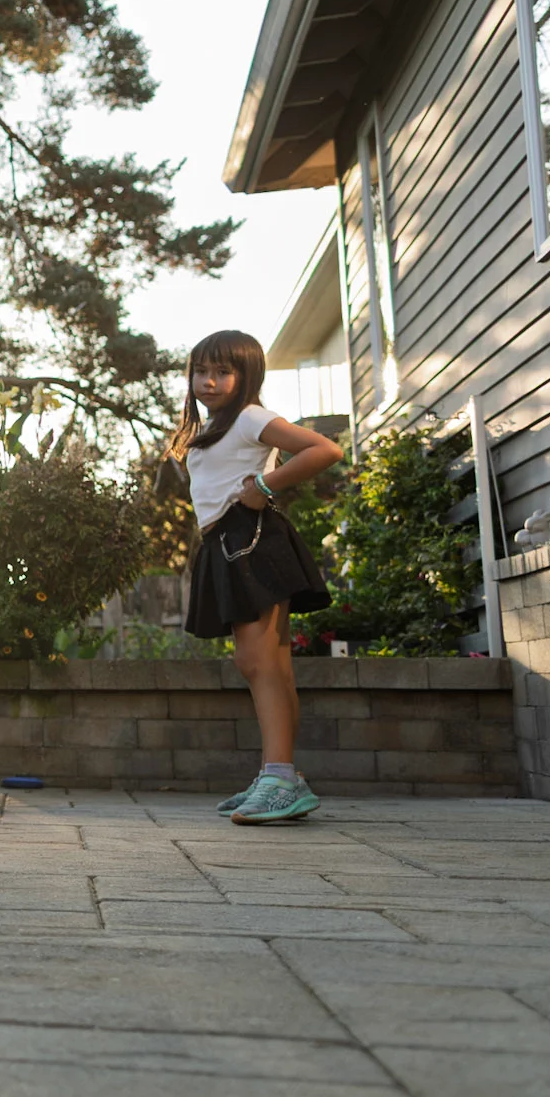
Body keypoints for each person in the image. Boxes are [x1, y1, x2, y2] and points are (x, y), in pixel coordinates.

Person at [168, 330, 341, 826]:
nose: (209, 380)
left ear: (246, 376)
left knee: (257, 662)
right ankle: (280, 775)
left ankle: (280, 778)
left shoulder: (249, 416)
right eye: (201, 371)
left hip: (251, 540)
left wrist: (264, 485)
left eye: (222, 372)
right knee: (272, 666)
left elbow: (324, 450)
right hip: (229, 542)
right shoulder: (217, 426)